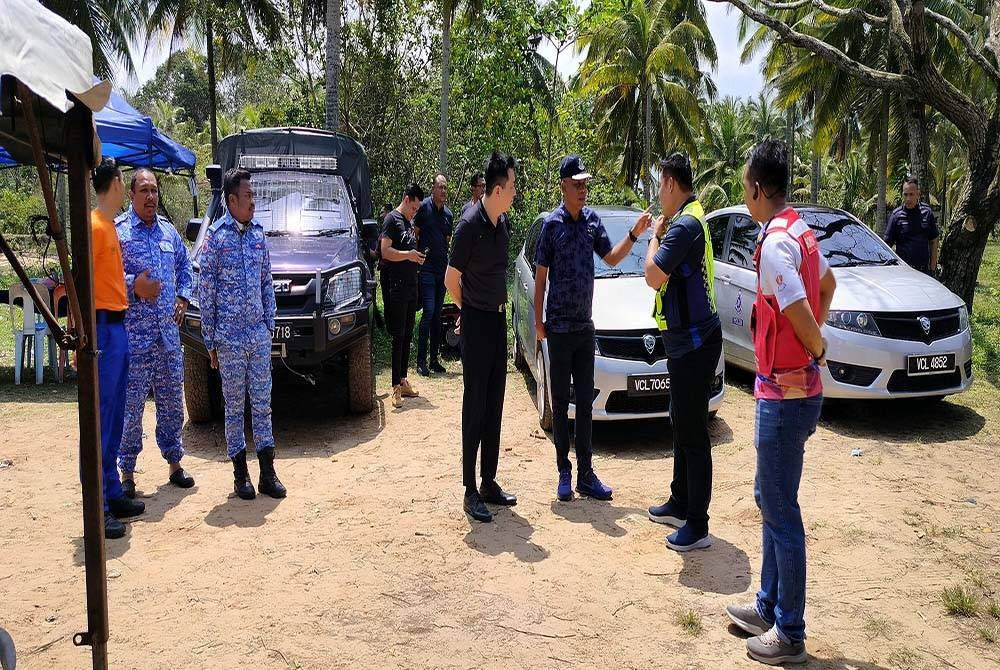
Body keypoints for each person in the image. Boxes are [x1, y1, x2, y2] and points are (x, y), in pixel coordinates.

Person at [725, 139, 836, 665]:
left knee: (780, 509)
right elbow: (828, 282)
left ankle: (790, 630)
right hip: (793, 390)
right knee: (770, 498)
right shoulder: (800, 230)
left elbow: (794, 301)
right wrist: (815, 334)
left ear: (757, 188)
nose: (744, 192)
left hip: (786, 393)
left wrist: (816, 345)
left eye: (746, 184)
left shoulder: (773, 244)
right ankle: (769, 605)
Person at [534, 155, 651, 502]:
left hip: (585, 327)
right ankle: (563, 472)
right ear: (563, 186)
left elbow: (612, 258)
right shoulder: (552, 226)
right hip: (558, 328)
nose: (583, 189)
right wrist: (539, 322)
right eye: (577, 184)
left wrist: (633, 234)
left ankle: (586, 472)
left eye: (586, 184)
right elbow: (541, 278)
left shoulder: (592, 221)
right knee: (559, 402)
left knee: (585, 401)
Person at [640, 153, 722, 552]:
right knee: (679, 421)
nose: (659, 193)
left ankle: (698, 523)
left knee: (693, 432)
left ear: (671, 184)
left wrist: (654, 234)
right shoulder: (690, 220)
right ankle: (679, 500)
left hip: (694, 344)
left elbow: (653, 276)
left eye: (660, 186)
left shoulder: (685, 226)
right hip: (685, 342)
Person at [198, 168, 285, 500]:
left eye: (253, 195)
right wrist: (211, 342)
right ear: (232, 200)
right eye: (248, 196)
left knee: (263, 404)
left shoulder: (259, 235)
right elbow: (206, 294)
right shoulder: (216, 239)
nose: (253, 201)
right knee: (234, 407)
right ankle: (240, 475)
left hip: (257, 338)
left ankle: (267, 472)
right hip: (229, 340)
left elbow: (267, 283)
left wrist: (268, 326)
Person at [445, 151, 518, 523]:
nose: (515, 192)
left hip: (497, 323)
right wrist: (469, 309)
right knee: (474, 407)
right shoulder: (469, 225)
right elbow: (450, 279)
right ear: (496, 189)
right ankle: (470, 488)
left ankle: (489, 481)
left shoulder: (501, 222)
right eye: (512, 186)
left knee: (494, 406)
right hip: (476, 324)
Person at [116, 169, 196, 498]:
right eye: (144, 191)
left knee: (172, 406)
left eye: (154, 191)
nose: (151, 196)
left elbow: (185, 266)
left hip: (166, 338)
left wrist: (182, 297)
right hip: (134, 339)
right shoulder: (119, 232)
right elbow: (106, 279)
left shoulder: (168, 231)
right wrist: (135, 287)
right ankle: (127, 473)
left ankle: (175, 464)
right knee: (130, 409)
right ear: (132, 195)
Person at [91, 158, 144, 539]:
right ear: (115, 183)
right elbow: (82, 283)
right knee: (102, 419)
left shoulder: (108, 226)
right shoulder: (93, 226)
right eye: (124, 183)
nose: (125, 190)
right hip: (102, 330)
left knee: (116, 418)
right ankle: (97, 505)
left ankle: (112, 493)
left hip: (118, 326)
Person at [381, 183, 426, 408]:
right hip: (397, 286)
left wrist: (416, 257)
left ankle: (403, 379)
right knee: (399, 336)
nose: (415, 212)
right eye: (414, 207)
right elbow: (385, 251)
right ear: (406, 199)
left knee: (408, 335)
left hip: (411, 284)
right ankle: (394, 388)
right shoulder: (392, 219)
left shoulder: (409, 222)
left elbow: (408, 251)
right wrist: (408, 255)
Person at [414, 174, 453, 376]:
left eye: (445, 188)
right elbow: (415, 234)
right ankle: (420, 361)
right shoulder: (423, 208)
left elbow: (446, 241)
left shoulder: (448, 214)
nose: (443, 191)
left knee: (437, 314)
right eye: (440, 187)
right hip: (426, 269)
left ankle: (434, 359)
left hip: (441, 270)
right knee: (428, 311)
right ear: (433, 188)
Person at [884, 176, 939, 275]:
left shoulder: (927, 212)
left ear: (918, 194)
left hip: (924, 272)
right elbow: (886, 245)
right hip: (903, 271)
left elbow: (934, 241)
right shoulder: (896, 215)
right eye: (905, 195)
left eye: (911, 194)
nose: (908, 198)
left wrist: (932, 269)